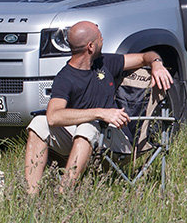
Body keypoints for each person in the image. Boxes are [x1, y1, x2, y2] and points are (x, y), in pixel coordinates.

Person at [24, 20, 173, 194]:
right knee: (39, 123)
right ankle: (31, 195)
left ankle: (63, 193)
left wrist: (156, 63)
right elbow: (53, 116)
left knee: (88, 127)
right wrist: (100, 113)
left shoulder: (105, 63)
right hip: (83, 137)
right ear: (90, 47)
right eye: (100, 38)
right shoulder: (65, 78)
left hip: (117, 141)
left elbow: (144, 56)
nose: (103, 40)